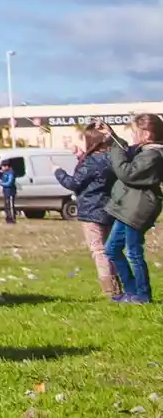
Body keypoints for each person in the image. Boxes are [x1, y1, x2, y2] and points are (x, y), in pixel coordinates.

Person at [55, 128, 121, 300]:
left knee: (98, 251)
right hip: (109, 209)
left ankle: (109, 290)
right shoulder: (111, 158)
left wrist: (58, 172)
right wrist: (79, 155)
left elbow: (74, 183)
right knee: (111, 250)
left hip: (91, 211)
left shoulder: (91, 162)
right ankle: (118, 286)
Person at [104, 113, 163, 304]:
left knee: (132, 252)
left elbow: (127, 172)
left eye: (136, 132)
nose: (134, 136)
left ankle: (143, 294)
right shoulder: (144, 151)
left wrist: (115, 147)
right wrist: (113, 136)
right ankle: (131, 292)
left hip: (138, 208)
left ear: (147, 133)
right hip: (128, 207)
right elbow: (125, 152)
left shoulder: (153, 155)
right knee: (112, 249)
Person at [0, 160, 18, 225]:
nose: (2, 168)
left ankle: (12, 219)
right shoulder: (5, 172)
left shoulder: (11, 173)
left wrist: (1, 183)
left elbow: (10, 183)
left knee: (10, 206)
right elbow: (1, 177)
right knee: (6, 206)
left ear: (6, 166)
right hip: (5, 191)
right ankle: (8, 219)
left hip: (10, 191)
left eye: (2, 166)